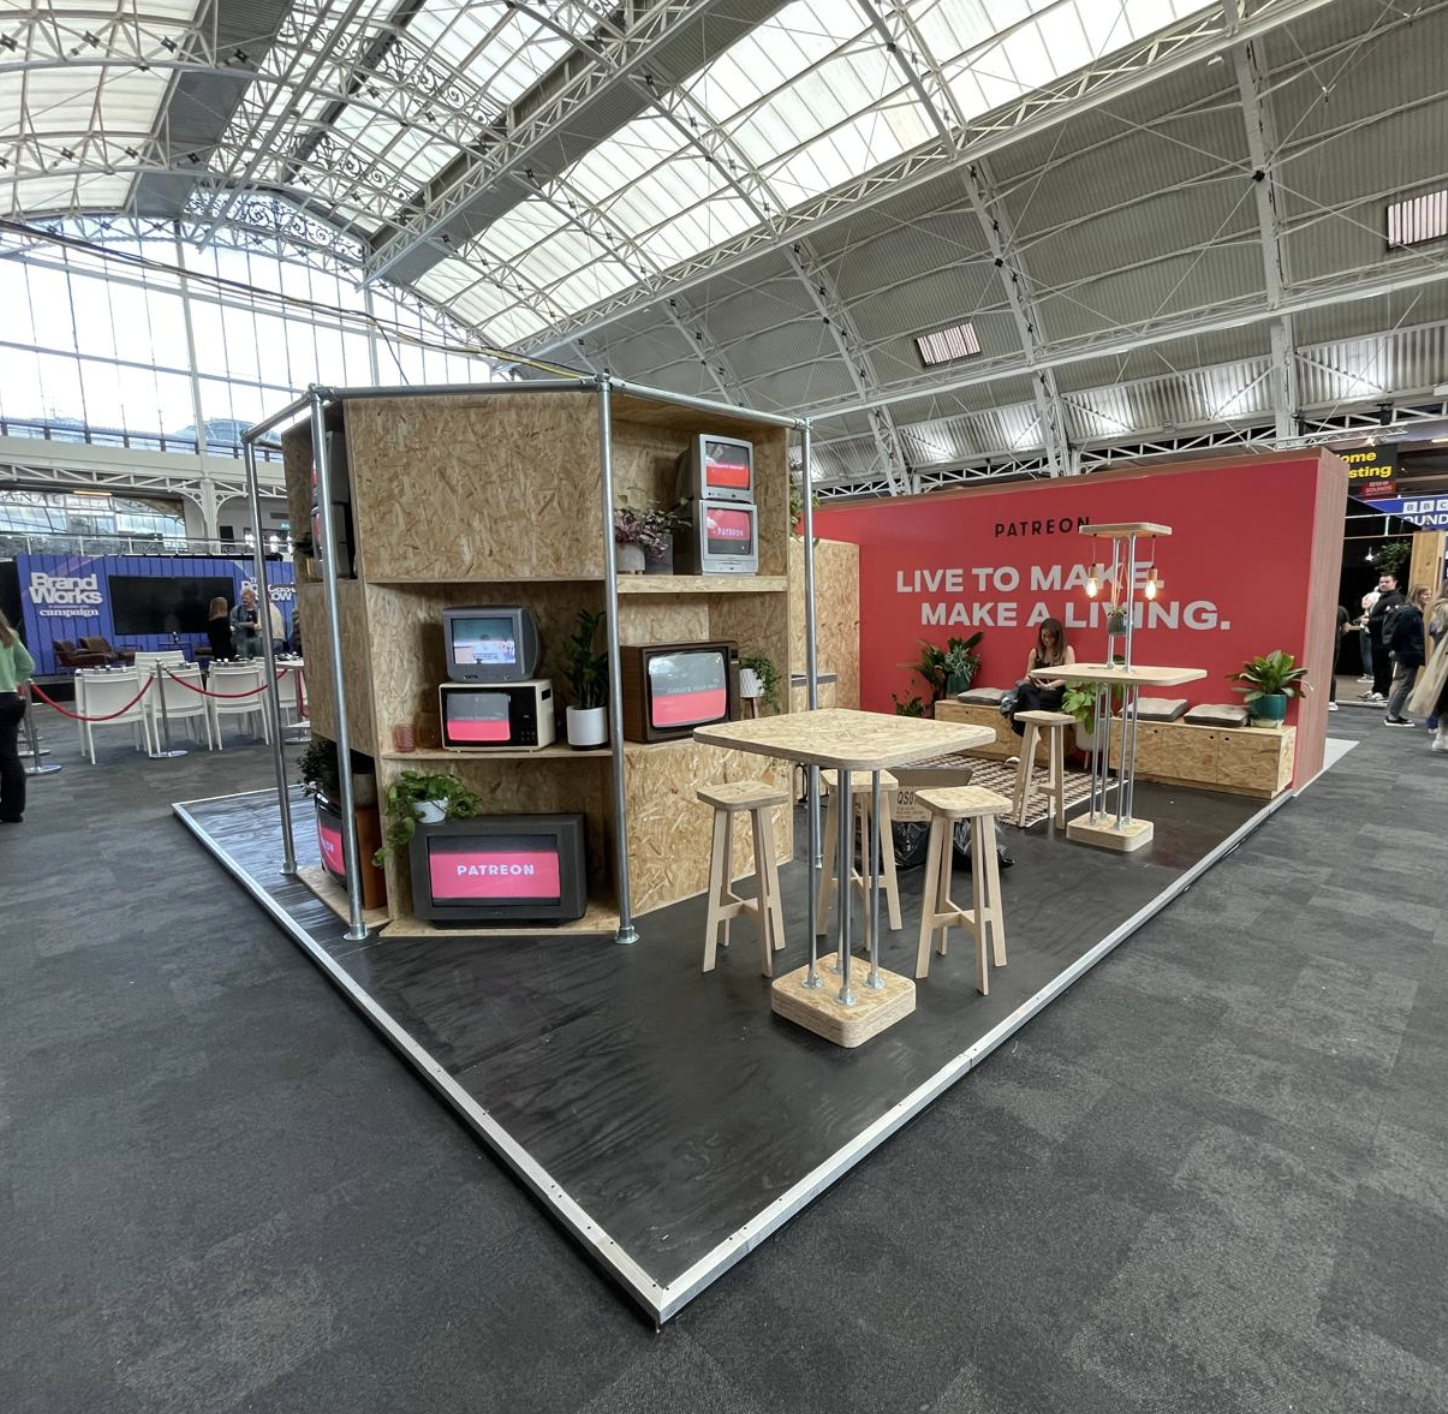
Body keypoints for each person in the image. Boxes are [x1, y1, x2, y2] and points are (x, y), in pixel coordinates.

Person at [1009, 618, 1076, 736]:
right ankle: (1034, 732)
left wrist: (1049, 685)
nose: (1047, 640)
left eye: (1050, 637)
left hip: (1055, 692)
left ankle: (1027, 730)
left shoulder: (1066, 651)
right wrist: (1029, 680)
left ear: (1057, 637)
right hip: (1037, 690)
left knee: (1018, 706)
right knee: (1025, 689)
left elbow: (1068, 677)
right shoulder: (1035, 653)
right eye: (1044, 636)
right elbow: (1028, 675)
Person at [0, 608, 36, 824]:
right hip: (8, 701)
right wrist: (13, 681)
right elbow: (28, 665)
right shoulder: (9, 636)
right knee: (9, 755)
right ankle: (12, 809)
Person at [1384, 584, 1429, 725]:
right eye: (1425, 594)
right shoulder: (1410, 613)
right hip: (1408, 653)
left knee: (1402, 684)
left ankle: (1392, 713)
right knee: (1405, 685)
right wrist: (1397, 650)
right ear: (1417, 595)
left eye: (1429, 594)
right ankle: (1392, 715)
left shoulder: (1412, 611)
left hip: (1408, 652)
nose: (1428, 597)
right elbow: (1399, 634)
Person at [1366, 571, 1405, 702]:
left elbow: (1391, 617)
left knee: (1384, 664)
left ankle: (1383, 691)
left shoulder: (1396, 598)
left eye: (1387, 581)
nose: (1383, 584)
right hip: (1377, 637)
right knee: (1377, 664)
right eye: (1381, 582)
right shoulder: (1384, 597)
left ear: (1395, 582)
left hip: (1386, 638)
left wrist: (1370, 621)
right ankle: (1376, 689)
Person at [231, 588, 262, 660]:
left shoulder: (259, 609)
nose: (244, 600)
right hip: (242, 640)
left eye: (246, 598)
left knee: (258, 660)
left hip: (257, 639)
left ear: (253, 599)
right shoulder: (236, 610)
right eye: (243, 598)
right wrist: (246, 624)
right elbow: (233, 624)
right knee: (244, 660)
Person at [1330, 603, 1351, 710]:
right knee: (1331, 672)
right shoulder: (1341, 610)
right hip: (1334, 644)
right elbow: (1346, 629)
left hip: (1320, 644)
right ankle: (1331, 700)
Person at [1357, 587, 1378, 684]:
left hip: (1366, 628)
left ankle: (1369, 674)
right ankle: (1374, 673)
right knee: (1373, 652)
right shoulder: (1383, 598)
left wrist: (1365, 597)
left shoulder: (1373, 596)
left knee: (1366, 652)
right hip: (1376, 628)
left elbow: (1364, 605)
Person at [207, 596, 235, 662]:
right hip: (226, 649)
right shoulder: (224, 620)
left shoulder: (210, 621)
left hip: (215, 649)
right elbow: (227, 634)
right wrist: (232, 631)